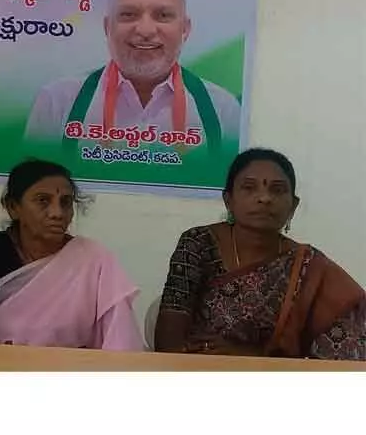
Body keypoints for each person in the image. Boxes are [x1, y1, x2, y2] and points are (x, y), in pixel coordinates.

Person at [154, 149, 366, 360]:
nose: (265, 198)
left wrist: (249, 358)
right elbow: (169, 340)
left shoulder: (308, 266)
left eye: (277, 190)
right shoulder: (198, 243)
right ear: (228, 200)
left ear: (293, 205)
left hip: (274, 377)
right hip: (197, 369)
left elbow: (349, 346)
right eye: (249, 188)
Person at [23, 0, 241, 153]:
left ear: (185, 28)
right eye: (129, 14)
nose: (145, 30)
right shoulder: (58, 103)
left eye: (163, 15)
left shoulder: (222, 111)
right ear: (108, 27)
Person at [0, 158, 144, 350]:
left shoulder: (94, 259)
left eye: (65, 202)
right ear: (13, 208)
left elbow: (120, 339)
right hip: (1, 364)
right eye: (43, 201)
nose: (57, 213)